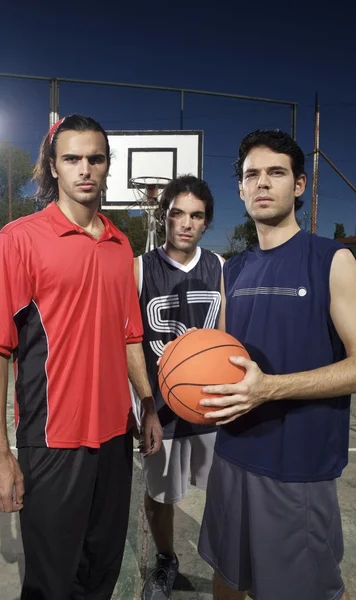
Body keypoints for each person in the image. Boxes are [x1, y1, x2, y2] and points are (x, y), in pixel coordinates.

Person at [0, 114, 162, 600]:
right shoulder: (19, 240)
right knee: (52, 585)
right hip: (53, 440)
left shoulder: (121, 246)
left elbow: (129, 336)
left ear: (107, 167)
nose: (85, 169)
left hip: (117, 439)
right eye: (72, 158)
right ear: (53, 167)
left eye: (95, 159)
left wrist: (147, 404)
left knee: (101, 573)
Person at [197, 129, 356, 600]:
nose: (262, 183)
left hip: (297, 466)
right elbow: (223, 359)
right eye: (251, 175)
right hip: (232, 455)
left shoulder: (331, 259)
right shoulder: (230, 270)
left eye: (276, 173)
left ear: (298, 185)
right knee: (228, 580)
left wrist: (269, 387)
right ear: (239, 188)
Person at [132, 175, 225, 600]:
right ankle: (167, 558)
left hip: (208, 406)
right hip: (159, 408)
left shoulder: (220, 266)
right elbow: (129, 341)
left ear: (206, 222)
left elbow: (225, 337)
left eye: (196, 215)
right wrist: (144, 404)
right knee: (160, 494)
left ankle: (228, 562)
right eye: (177, 214)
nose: (186, 224)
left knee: (223, 491)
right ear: (164, 217)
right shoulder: (138, 267)